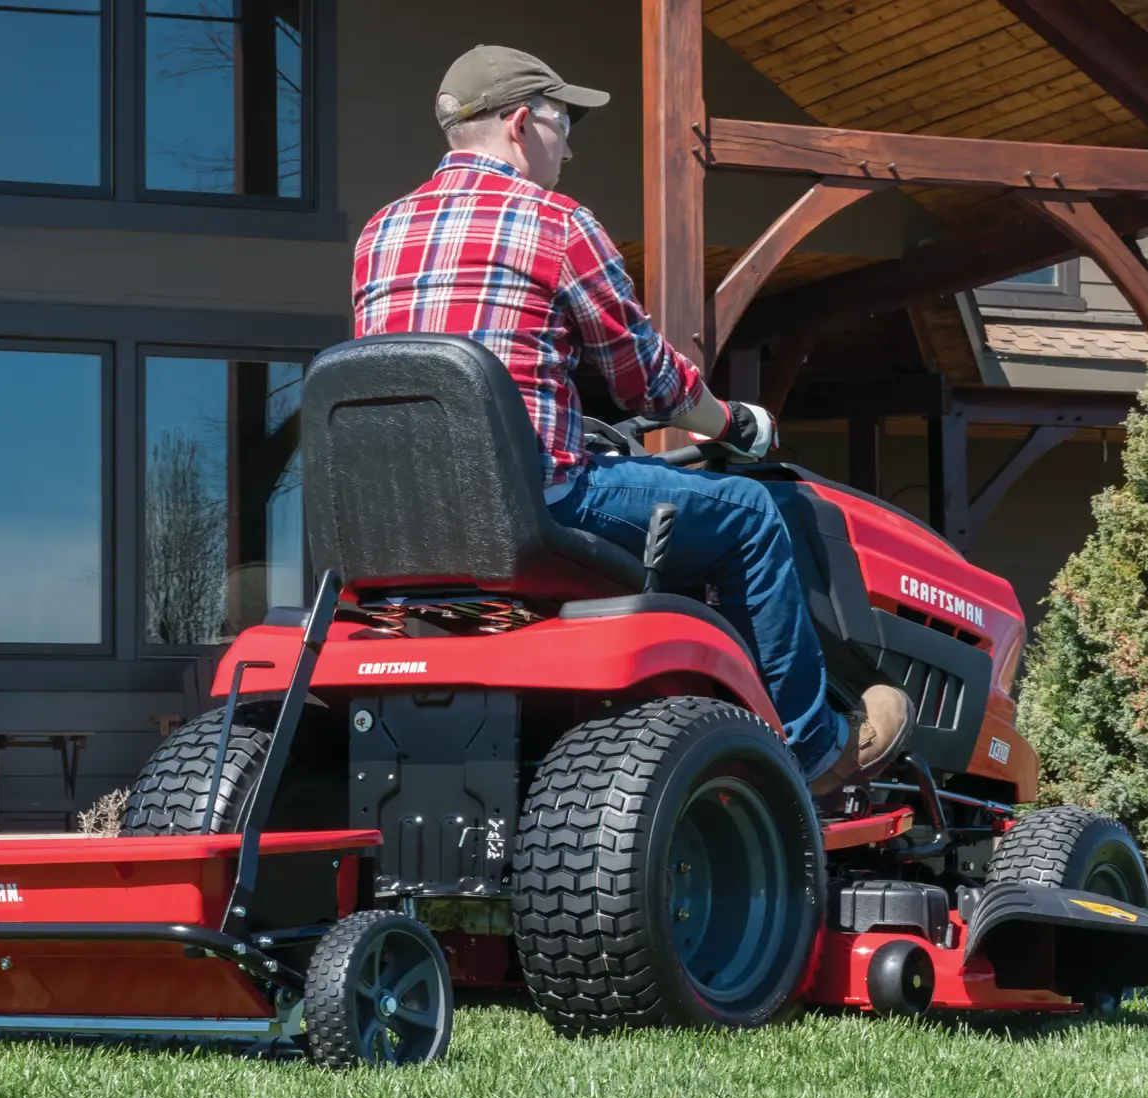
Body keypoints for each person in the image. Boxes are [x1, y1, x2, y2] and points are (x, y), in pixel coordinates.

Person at [350, 44, 916, 795]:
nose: (571, 142)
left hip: (399, 526)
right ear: (521, 123)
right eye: (562, 121)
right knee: (749, 514)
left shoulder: (378, 234)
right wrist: (734, 423)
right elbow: (645, 379)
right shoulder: (554, 224)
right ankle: (814, 749)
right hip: (532, 507)